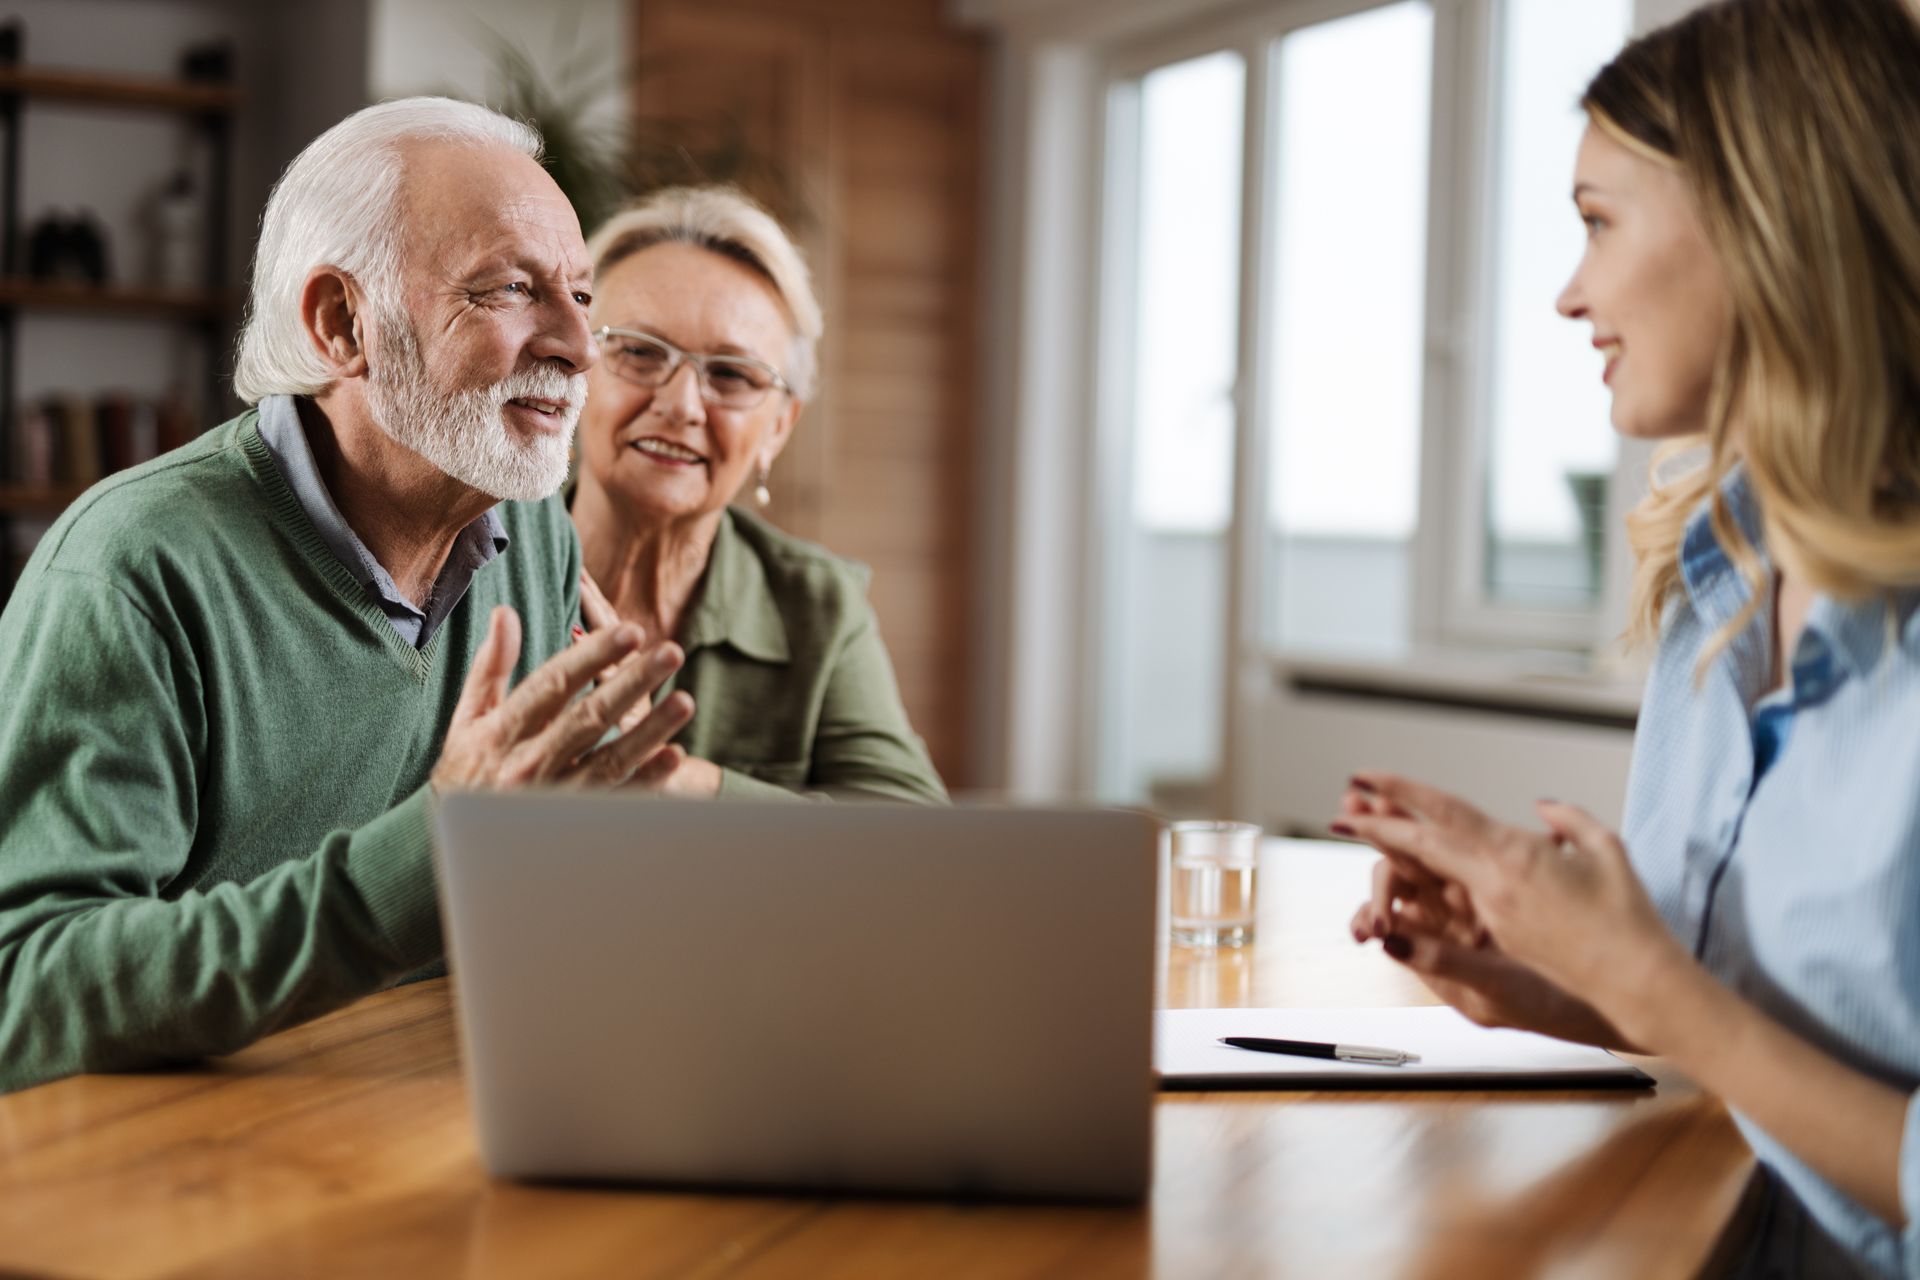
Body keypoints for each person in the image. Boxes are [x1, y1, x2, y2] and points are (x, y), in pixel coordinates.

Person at [1335, 1, 1920, 1274]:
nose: (1569, 292)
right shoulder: (1717, 577)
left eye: (1598, 222)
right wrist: (1550, 974)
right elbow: (1757, 1029)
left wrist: (1651, 989)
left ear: (1770, 222)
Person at [0, 98, 697, 1094]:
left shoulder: (529, 527)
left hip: (425, 1116)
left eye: (582, 295)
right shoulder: (128, 568)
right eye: (511, 289)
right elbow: (29, 990)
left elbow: (506, 906)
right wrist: (435, 849)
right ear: (341, 322)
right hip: (179, 1171)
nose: (580, 346)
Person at [569, 187, 946, 803]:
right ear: (575, 368)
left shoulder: (818, 607)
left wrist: (679, 781)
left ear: (778, 427)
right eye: (638, 352)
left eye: (731, 374)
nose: (681, 404)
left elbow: (914, 837)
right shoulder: (471, 564)